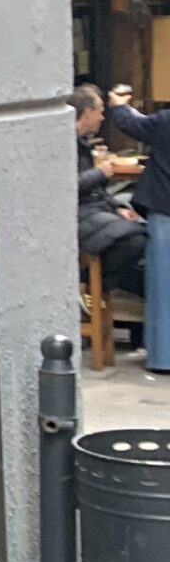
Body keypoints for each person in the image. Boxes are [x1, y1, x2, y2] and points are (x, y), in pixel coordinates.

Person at [104, 85, 170, 373]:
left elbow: (134, 124)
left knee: (163, 287)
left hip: (164, 209)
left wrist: (118, 105)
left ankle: (163, 357)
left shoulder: (165, 122)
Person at [75, 83, 145, 301]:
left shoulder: (81, 144)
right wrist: (100, 172)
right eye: (100, 111)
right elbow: (69, 186)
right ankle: (87, 283)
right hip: (81, 213)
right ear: (87, 112)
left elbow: (98, 190)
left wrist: (118, 207)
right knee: (136, 240)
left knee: (138, 230)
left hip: (94, 208)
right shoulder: (66, 144)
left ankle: (92, 286)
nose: (102, 117)